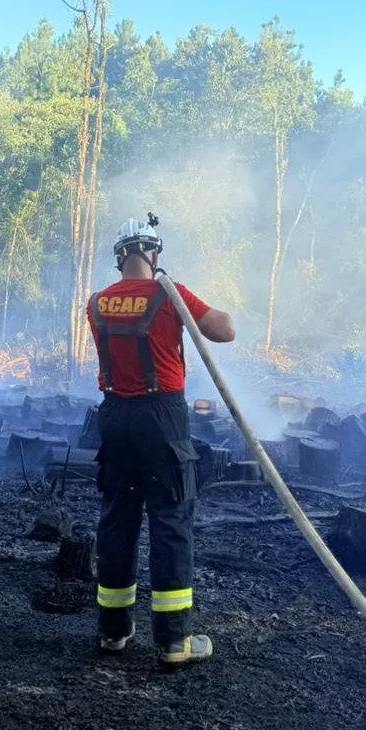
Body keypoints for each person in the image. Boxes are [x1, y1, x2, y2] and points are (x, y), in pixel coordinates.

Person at [87, 216, 235, 666]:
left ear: (119, 259)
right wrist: (171, 288)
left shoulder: (97, 302)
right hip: (162, 418)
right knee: (170, 520)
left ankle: (113, 632)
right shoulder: (170, 294)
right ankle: (174, 641)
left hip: (114, 416)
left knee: (117, 520)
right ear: (154, 254)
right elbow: (225, 329)